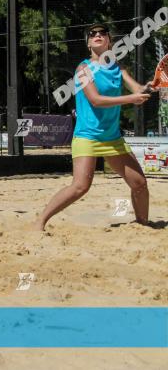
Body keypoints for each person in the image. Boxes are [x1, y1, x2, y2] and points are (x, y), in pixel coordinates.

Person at [34, 22, 150, 231]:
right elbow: (95, 99)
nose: (97, 35)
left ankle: (143, 226)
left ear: (109, 41)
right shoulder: (83, 68)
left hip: (112, 137)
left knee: (140, 184)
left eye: (102, 33)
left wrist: (147, 88)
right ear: (88, 43)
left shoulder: (119, 67)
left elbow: (137, 89)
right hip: (87, 136)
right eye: (93, 34)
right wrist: (131, 98)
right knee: (80, 187)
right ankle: (40, 221)